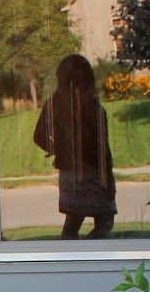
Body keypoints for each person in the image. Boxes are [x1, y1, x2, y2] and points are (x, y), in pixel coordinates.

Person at [34, 54, 117, 240]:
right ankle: (88, 258)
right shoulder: (90, 106)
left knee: (73, 222)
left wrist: (60, 149)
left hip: (73, 172)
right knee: (104, 221)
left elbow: (39, 136)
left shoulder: (56, 103)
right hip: (94, 170)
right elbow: (101, 146)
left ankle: (73, 258)